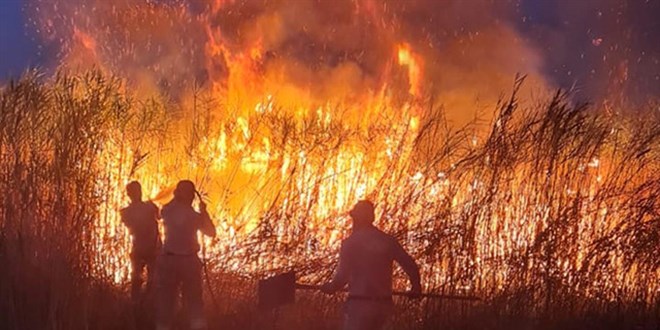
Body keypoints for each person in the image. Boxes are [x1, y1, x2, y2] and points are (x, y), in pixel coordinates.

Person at [320, 200, 422, 330]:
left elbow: (342, 277)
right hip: (384, 305)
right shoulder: (387, 241)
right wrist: (416, 286)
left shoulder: (351, 243)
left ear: (357, 218)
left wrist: (330, 287)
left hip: (359, 305)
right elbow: (409, 264)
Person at [156, 180, 216, 330]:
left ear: (177, 194)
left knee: (166, 302)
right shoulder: (194, 216)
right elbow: (211, 232)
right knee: (195, 302)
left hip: (169, 261)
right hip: (189, 262)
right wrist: (204, 212)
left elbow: (160, 213)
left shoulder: (167, 211)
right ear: (191, 196)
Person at [120, 181, 161, 305]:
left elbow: (158, 217)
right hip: (146, 248)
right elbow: (158, 217)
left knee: (142, 279)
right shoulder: (144, 208)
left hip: (146, 248)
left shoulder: (127, 211)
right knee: (143, 279)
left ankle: (141, 303)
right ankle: (142, 304)